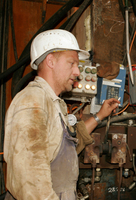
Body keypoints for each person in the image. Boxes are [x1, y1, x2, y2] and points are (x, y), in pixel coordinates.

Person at [4, 29, 120, 200]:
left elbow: (67, 144)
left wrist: (100, 115)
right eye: (71, 63)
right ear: (50, 61)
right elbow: (31, 182)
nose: (77, 72)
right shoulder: (33, 102)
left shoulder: (53, 103)